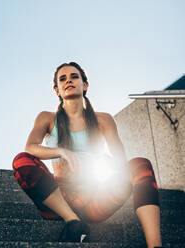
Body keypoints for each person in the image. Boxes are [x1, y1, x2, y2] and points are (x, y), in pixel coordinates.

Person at [12, 62, 163, 248]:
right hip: (59, 199)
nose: (68, 81)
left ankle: (155, 245)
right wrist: (61, 151)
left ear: (85, 85)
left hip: (95, 199)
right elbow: (30, 148)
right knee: (21, 160)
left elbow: (120, 163)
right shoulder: (47, 118)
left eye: (74, 76)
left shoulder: (103, 120)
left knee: (140, 164)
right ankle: (72, 221)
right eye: (62, 79)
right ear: (57, 90)